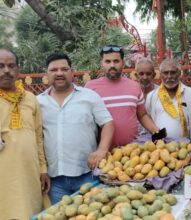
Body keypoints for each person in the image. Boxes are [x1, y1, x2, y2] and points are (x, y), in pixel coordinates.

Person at [37, 53, 114, 204]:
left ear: (71, 72)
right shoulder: (37, 102)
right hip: (55, 181)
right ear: (46, 74)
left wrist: (101, 150)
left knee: (91, 214)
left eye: (64, 69)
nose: (59, 73)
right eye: (54, 70)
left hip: (88, 175)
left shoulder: (89, 97)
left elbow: (108, 123)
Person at [0, 48, 50, 218]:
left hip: (30, 172)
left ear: (18, 69)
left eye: (11, 65)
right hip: (3, 175)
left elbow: (38, 136)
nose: (6, 70)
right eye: (0, 66)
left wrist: (43, 169)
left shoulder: (30, 98)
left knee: (30, 212)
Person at [85, 45, 161, 147]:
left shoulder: (134, 86)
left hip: (132, 152)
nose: (112, 65)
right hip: (102, 152)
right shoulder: (90, 88)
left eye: (116, 61)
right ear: (102, 64)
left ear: (123, 63)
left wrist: (157, 132)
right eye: (108, 61)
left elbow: (142, 115)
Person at [146, 59, 191, 142]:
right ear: (161, 75)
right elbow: (148, 120)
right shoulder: (151, 96)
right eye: (165, 73)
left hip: (186, 148)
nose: (169, 76)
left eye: (173, 72)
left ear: (179, 74)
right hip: (160, 148)